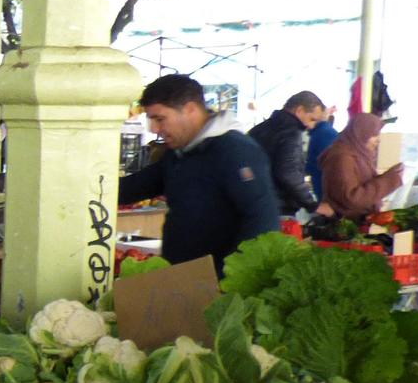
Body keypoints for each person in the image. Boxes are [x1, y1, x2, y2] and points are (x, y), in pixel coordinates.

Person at [116, 74, 279, 273]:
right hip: (183, 277)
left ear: (190, 109)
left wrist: (232, 280)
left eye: (160, 119)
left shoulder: (236, 151)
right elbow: (136, 187)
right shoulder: (179, 153)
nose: (155, 129)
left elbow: (262, 219)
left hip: (218, 284)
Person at [247, 91, 334, 222]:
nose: (311, 126)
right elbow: (288, 173)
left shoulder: (259, 129)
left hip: (254, 203)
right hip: (278, 208)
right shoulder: (291, 133)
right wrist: (313, 204)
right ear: (299, 110)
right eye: (312, 119)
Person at [320, 112, 405, 221]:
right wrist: (391, 180)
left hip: (357, 220)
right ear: (361, 134)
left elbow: (364, 184)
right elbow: (352, 198)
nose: (378, 140)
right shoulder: (343, 157)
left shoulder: (359, 154)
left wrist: (391, 175)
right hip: (346, 224)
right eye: (374, 135)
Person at [307, 102, 339, 202]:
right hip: (323, 186)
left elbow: (329, 164)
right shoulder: (322, 132)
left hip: (326, 190)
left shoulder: (324, 133)